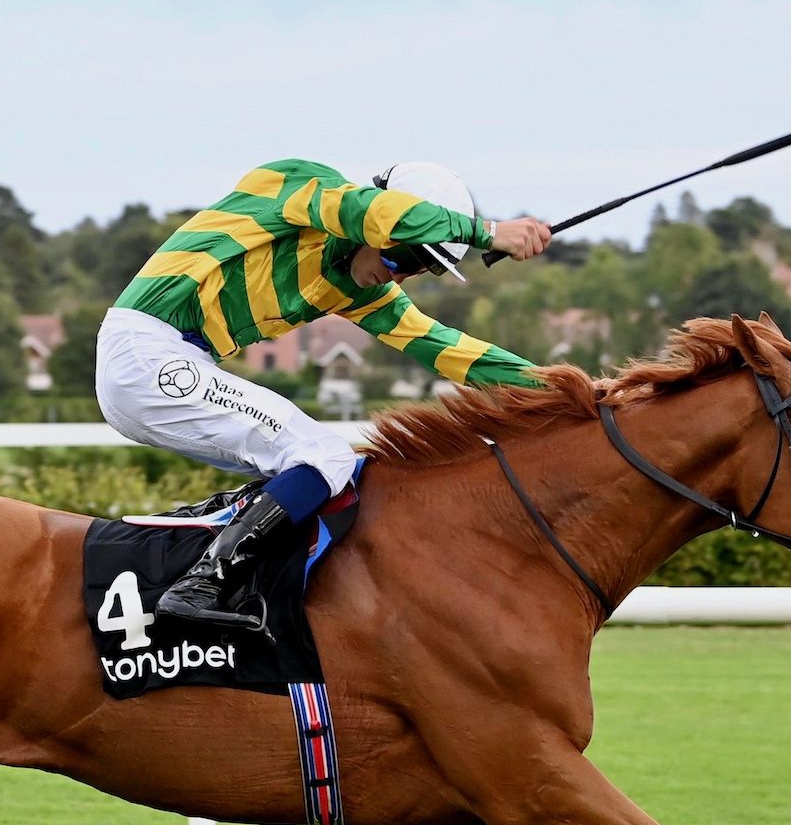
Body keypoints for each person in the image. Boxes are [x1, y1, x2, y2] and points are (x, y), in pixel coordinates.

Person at [97, 158, 551, 630]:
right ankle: (203, 584)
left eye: (423, 270)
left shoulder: (360, 292)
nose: (400, 277)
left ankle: (190, 555)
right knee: (324, 456)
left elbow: (447, 349)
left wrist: (570, 391)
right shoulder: (298, 186)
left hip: (167, 369)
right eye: (407, 258)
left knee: (305, 471)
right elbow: (372, 209)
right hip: (145, 350)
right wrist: (489, 232)